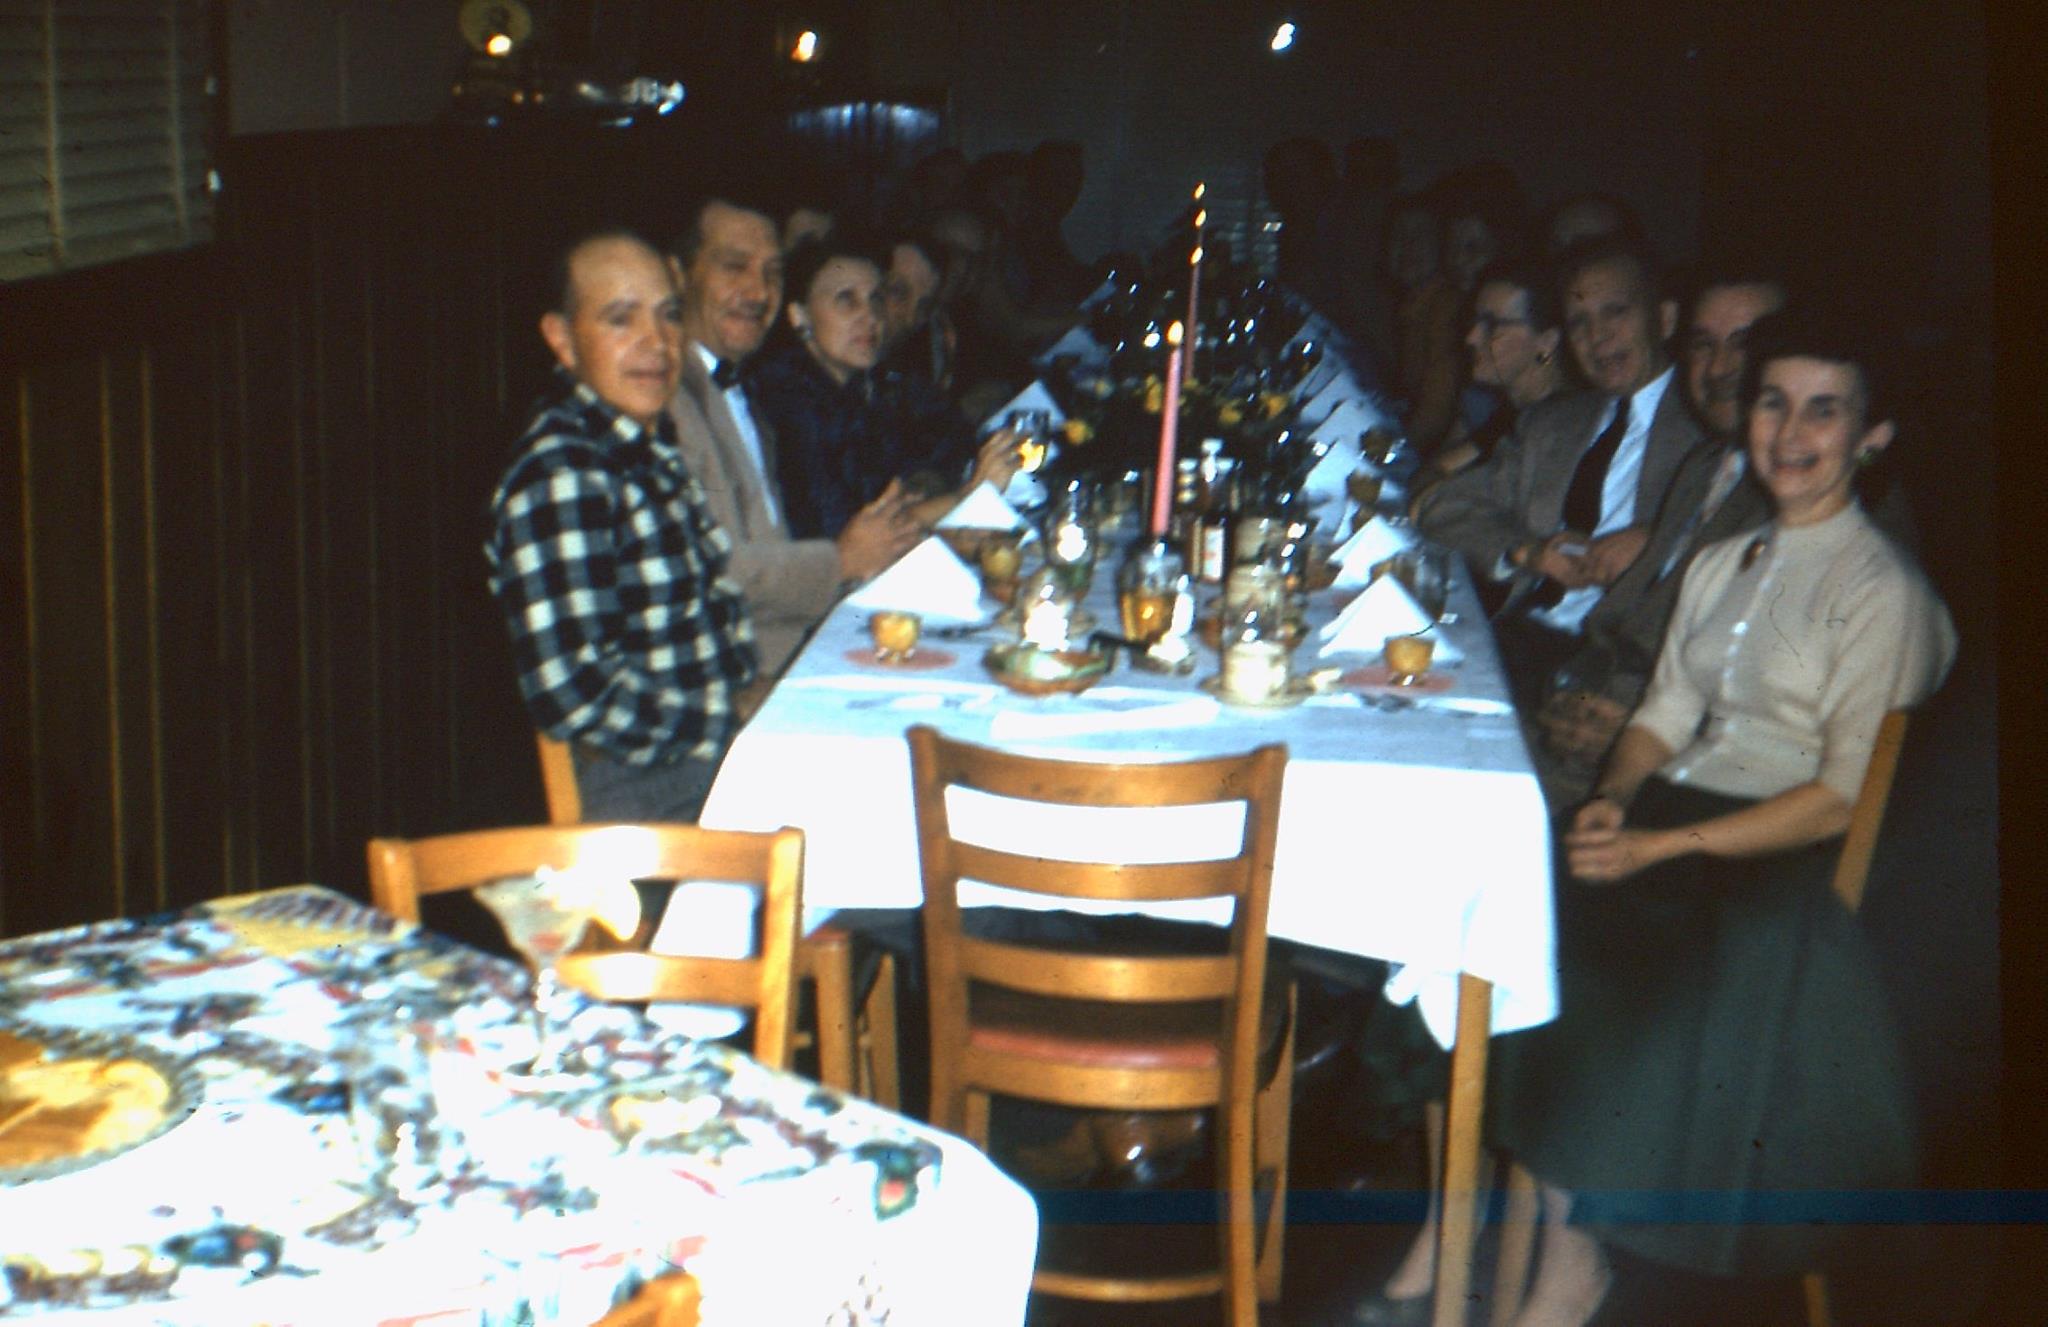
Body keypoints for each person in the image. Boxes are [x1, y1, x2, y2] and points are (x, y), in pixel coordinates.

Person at [1359, 308, 1958, 1327]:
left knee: (1598, 955)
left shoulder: (1878, 588)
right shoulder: (1726, 561)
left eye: (1823, 409)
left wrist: (1657, 841)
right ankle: (1456, 1210)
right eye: (1772, 402)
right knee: (1495, 901)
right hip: (1672, 815)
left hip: (1771, 861)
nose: (1789, 429)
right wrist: (1610, 802)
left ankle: (1569, 1255)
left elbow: (1838, 794)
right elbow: (1664, 711)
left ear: (1871, 434)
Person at [484, 230, 756, 821]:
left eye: (668, 316)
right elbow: (574, 695)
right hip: (643, 795)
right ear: (562, 339)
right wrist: (731, 718)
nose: (656, 343)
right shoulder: (563, 474)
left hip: (707, 764)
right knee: (930, 863)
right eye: (620, 319)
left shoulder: (640, 447)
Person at [1529, 272, 1787, 803]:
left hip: (1684, 793)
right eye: (1702, 345)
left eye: (1744, 344)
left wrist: (1637, 725)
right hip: (1594, 736)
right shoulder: (1709, 466)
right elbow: (1624, 624)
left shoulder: (1805, 500)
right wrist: (1571, 692)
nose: (1719, 368)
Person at [1415, 235, 1704, 705]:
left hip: (1615, 671)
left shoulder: (1704, 430)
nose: (1598, 337)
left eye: (1616, 313)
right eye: (1579, 322)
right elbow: (1442, 505)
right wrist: (1527, 552)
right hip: (1518, 641)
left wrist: (1660, 539)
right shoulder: (1557, 423)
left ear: (1665, 319)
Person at [665, 195, 923, 678]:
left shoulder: (746, 393)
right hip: (738, 680)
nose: (758, 291)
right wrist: (841, 560)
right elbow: (709, 575)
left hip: (803, 647)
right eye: (734, 267)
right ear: (680, 275)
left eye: (771, 273)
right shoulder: (665, 400)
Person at [748, 234, 1018, 541]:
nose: (871, 316)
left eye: (876, 299)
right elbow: (840, 536)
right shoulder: (783, 397)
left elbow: (951, 434)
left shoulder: (873, 378)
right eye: (846, 300)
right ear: (800, 316)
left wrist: (924, 482)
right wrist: (968, 496)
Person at [1417, 258, 1569, 484]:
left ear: (1546, 341)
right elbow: (1437, 469)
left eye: (1492, 325)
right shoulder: (1515, 413)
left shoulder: (1559, 428)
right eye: (1475, 321)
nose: (1471, 338)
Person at [1383, 193, 1463, 456]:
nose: (1408, 246)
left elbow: (1434, 413)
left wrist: (1392, 456)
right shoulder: (1410, 306)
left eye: (1421, 236)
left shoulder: (1447, 307)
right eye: (1399, 235)